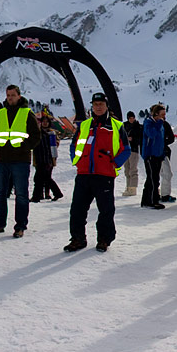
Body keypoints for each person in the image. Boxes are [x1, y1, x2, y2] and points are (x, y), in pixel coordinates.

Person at [67, 93, 131, 252]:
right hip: (84, 174)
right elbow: (74, 145)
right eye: (95, 104)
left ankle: (104, 239)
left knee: (106, 209)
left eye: (101, 104)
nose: (98, 107)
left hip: (104, 175)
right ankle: (77, 239)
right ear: (92, 106)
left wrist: (113, 164)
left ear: (106, 106)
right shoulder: (84, 125)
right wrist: (77, 161)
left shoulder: (117, 126)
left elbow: (126, 150)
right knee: (77, 209)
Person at [0, 85, 35, 236]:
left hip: (20, 160)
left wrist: (23, 147)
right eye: (8, 95)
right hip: (2, 159)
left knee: (21, 194)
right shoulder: (1, 112)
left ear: (19, 96)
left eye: (13, 95)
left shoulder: (27, 113)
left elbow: (35, 136)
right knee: (1, 194)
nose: (10, 97)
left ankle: (20, 226)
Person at [139, 104, 175, 209]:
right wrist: (159, 124)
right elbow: (152, 134)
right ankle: (152, 201)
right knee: (152, 179)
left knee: (154, 178)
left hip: (158, 154)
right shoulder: (149, 123)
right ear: (156, 114)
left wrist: (162, 153)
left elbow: (161, 140)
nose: (164, 116)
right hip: (150, 155)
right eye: (162, 114)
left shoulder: (161, 124)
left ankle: (148, 200)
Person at [30, 112, 64, 202]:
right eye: (43, 121)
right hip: (40, 158)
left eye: (46, 122)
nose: (45, 123)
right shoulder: (38, 132)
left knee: (40, 178)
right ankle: (47, 194)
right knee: (44, 178)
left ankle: (38, 196)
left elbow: (54, 145)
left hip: (47, 159)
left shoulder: (51, 133)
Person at [121, 110, 143, 198]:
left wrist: (133, 139)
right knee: (127, 169)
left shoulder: (138, 127)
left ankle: (133, 188)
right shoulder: (124, 126)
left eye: (133, 118)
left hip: (134, 149)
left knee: (133, 169)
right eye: (130, 118)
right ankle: (128, 186)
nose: (132, 119)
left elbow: (141, 139)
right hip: (125, 149)